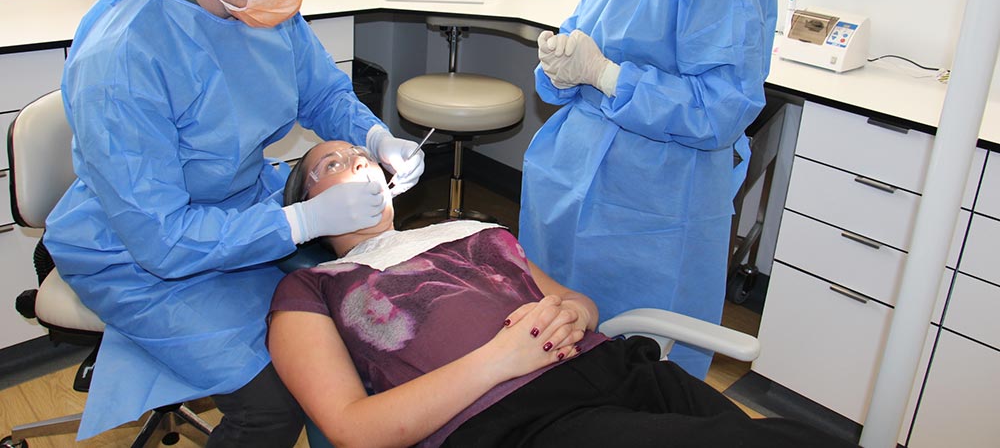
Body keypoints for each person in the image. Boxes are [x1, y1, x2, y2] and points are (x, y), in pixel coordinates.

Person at [43, 0, 425, 446]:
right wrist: (302, 220)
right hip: (139, 253)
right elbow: (162, 241)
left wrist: (374, 135)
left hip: (239, 208)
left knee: (356, 328)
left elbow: (318, 90)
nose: (295, 0)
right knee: (275, 402)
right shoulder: (123, 64)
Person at [267, 140, 857, 448]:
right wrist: (498, 360)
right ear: (308, 207)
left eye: (364, 155)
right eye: (331, 165)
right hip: (518, 420)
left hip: (618, 367)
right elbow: (350, 429)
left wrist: (573, 312)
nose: (358, 163)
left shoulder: (471, 228)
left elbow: (578, 302)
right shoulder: (312, 288)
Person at [518, 0, 778, 380]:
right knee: (550, 342)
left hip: (656, 201)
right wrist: (561, 65)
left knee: (641, 364)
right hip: (568, 179)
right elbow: (581, 48)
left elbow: (720, 110)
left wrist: (609, 76)